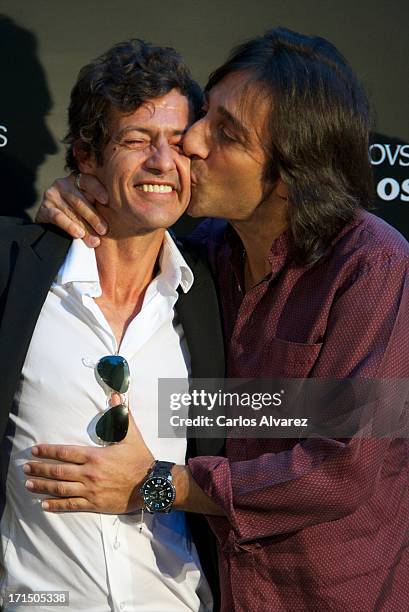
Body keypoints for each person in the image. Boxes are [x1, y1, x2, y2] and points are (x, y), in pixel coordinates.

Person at [28, 28, 409, 611]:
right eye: (205, 116)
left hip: (330, 595)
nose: (191, 143)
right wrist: (81, 193)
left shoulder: (372, 265)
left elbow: (342, 467)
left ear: (290, 173)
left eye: (226, 134)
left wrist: (158, 484)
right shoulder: (207, 253)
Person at [0, 39, 225, 611]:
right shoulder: (12, 270)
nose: (162, 162)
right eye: (135, 141)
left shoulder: (217, 288)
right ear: (85, 155)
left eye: (179, 143)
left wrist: (154, 483)